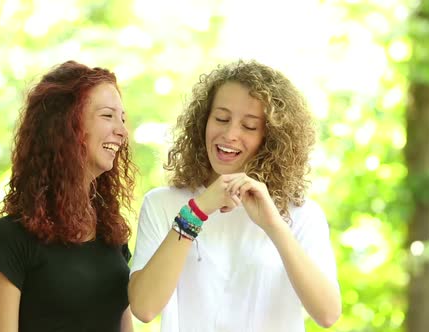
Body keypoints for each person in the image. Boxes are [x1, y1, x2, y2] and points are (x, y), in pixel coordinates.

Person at [128, 60, 341, 331]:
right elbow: (144, 308)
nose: (230, 134)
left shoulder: (302, 214)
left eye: (249, 126)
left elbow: (328, 314)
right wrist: (197, 211)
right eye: (221, 119)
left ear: (271, 138)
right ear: (203, 121)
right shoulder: (162, 204)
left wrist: (273, 225)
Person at [0, 60, 136, 332]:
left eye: (122, 118)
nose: (122, 130)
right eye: (108, 116)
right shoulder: (10, 238)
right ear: (67, 126)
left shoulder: (111, 234)